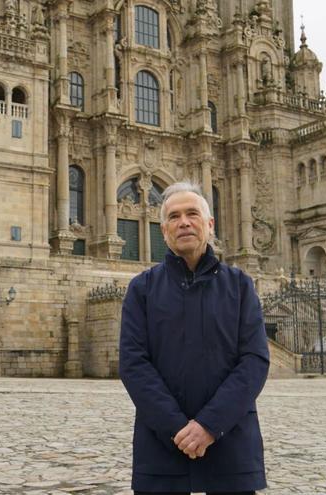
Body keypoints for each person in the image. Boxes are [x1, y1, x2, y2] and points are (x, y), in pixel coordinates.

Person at [120, 181, 269, 495]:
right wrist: (178, 429)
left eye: (192, 214)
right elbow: (134, 364)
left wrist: (209, 426)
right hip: (162, 444)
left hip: (231, 442)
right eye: (174, 216)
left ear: (210, 224)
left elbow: (254, 361)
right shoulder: (142, 289)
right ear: (163, 230)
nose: (184, 222)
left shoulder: (241, 286)